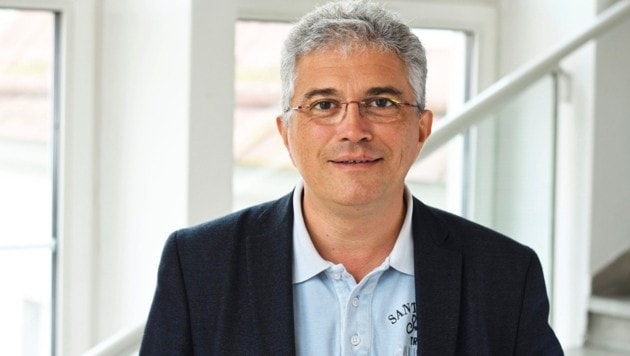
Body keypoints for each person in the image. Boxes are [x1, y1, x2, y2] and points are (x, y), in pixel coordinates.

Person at [140, 1, 563, 354]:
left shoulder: (506, 274)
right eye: (324, 105)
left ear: (421, 128)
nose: (353, 128)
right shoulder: (197, 266)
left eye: (381, 102)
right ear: (286, 132)